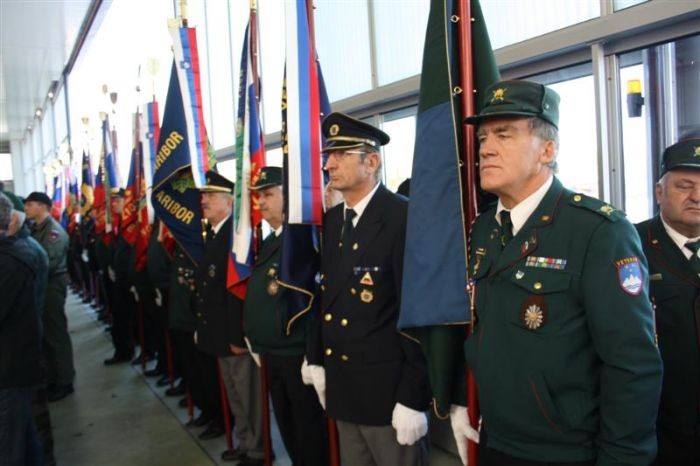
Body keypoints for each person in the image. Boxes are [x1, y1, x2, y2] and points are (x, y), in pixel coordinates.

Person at [450, 80, 663, 465]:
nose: (486, 149)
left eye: (504, 135)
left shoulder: (598, 231)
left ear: (547, 150)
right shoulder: (484, 228)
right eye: (482, 138)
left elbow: (633, 364)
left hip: (565, 450)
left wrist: (624, 458)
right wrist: (461, 399)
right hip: (496, 437)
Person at [306, 112, 431, 466]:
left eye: (341, 155)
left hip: (387, 393)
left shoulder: (403, 217)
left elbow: (419, 312)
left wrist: (413, 396)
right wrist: (315, 356)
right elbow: (325, 295)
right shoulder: (333, 221)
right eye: (328, 156)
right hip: (344, 386)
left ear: (372, 162)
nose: (329, 164)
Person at [242, 166, 328, 465]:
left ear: (287, 197)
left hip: (295, 353)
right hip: (272, 352)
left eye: (268, 194)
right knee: (287, 425)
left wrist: (312, 352)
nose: (261, 202)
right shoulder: (271, 240)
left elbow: (314, 299)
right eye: (258, 196)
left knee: (308, 429)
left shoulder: (302, 241)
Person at [635, 137, 700, 465]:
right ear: (659, 192)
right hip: (659, 427)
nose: (697, 197)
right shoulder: (628, 244)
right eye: (684, 186)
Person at [194, 170, 265, 464]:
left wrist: (238, 336)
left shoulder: (236, 237)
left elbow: (239, 292)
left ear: (229, 201)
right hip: (219, 334)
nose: (204, 200)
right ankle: (246, 444)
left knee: (249, 396)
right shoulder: (215, 234)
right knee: (235, 395)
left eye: (210, 195)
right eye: (204, 195)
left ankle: (258, 450)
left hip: (233, 336)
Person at [0, 193, 44, 465]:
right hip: (15, 364)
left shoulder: (8, 261)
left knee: (10, 450)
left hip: (10, 368)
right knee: (23, 441)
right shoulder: (12, 254)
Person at [24, 191, 76, 402]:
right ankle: (53, 378)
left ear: (42, 206)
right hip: (42, 284)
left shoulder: (53, 231)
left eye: (30, 204)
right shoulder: (36, 229)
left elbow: (48, 262)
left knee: (56, 333)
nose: (26, 208)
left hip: (52, 284)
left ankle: (65, 380)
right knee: (46, 334)